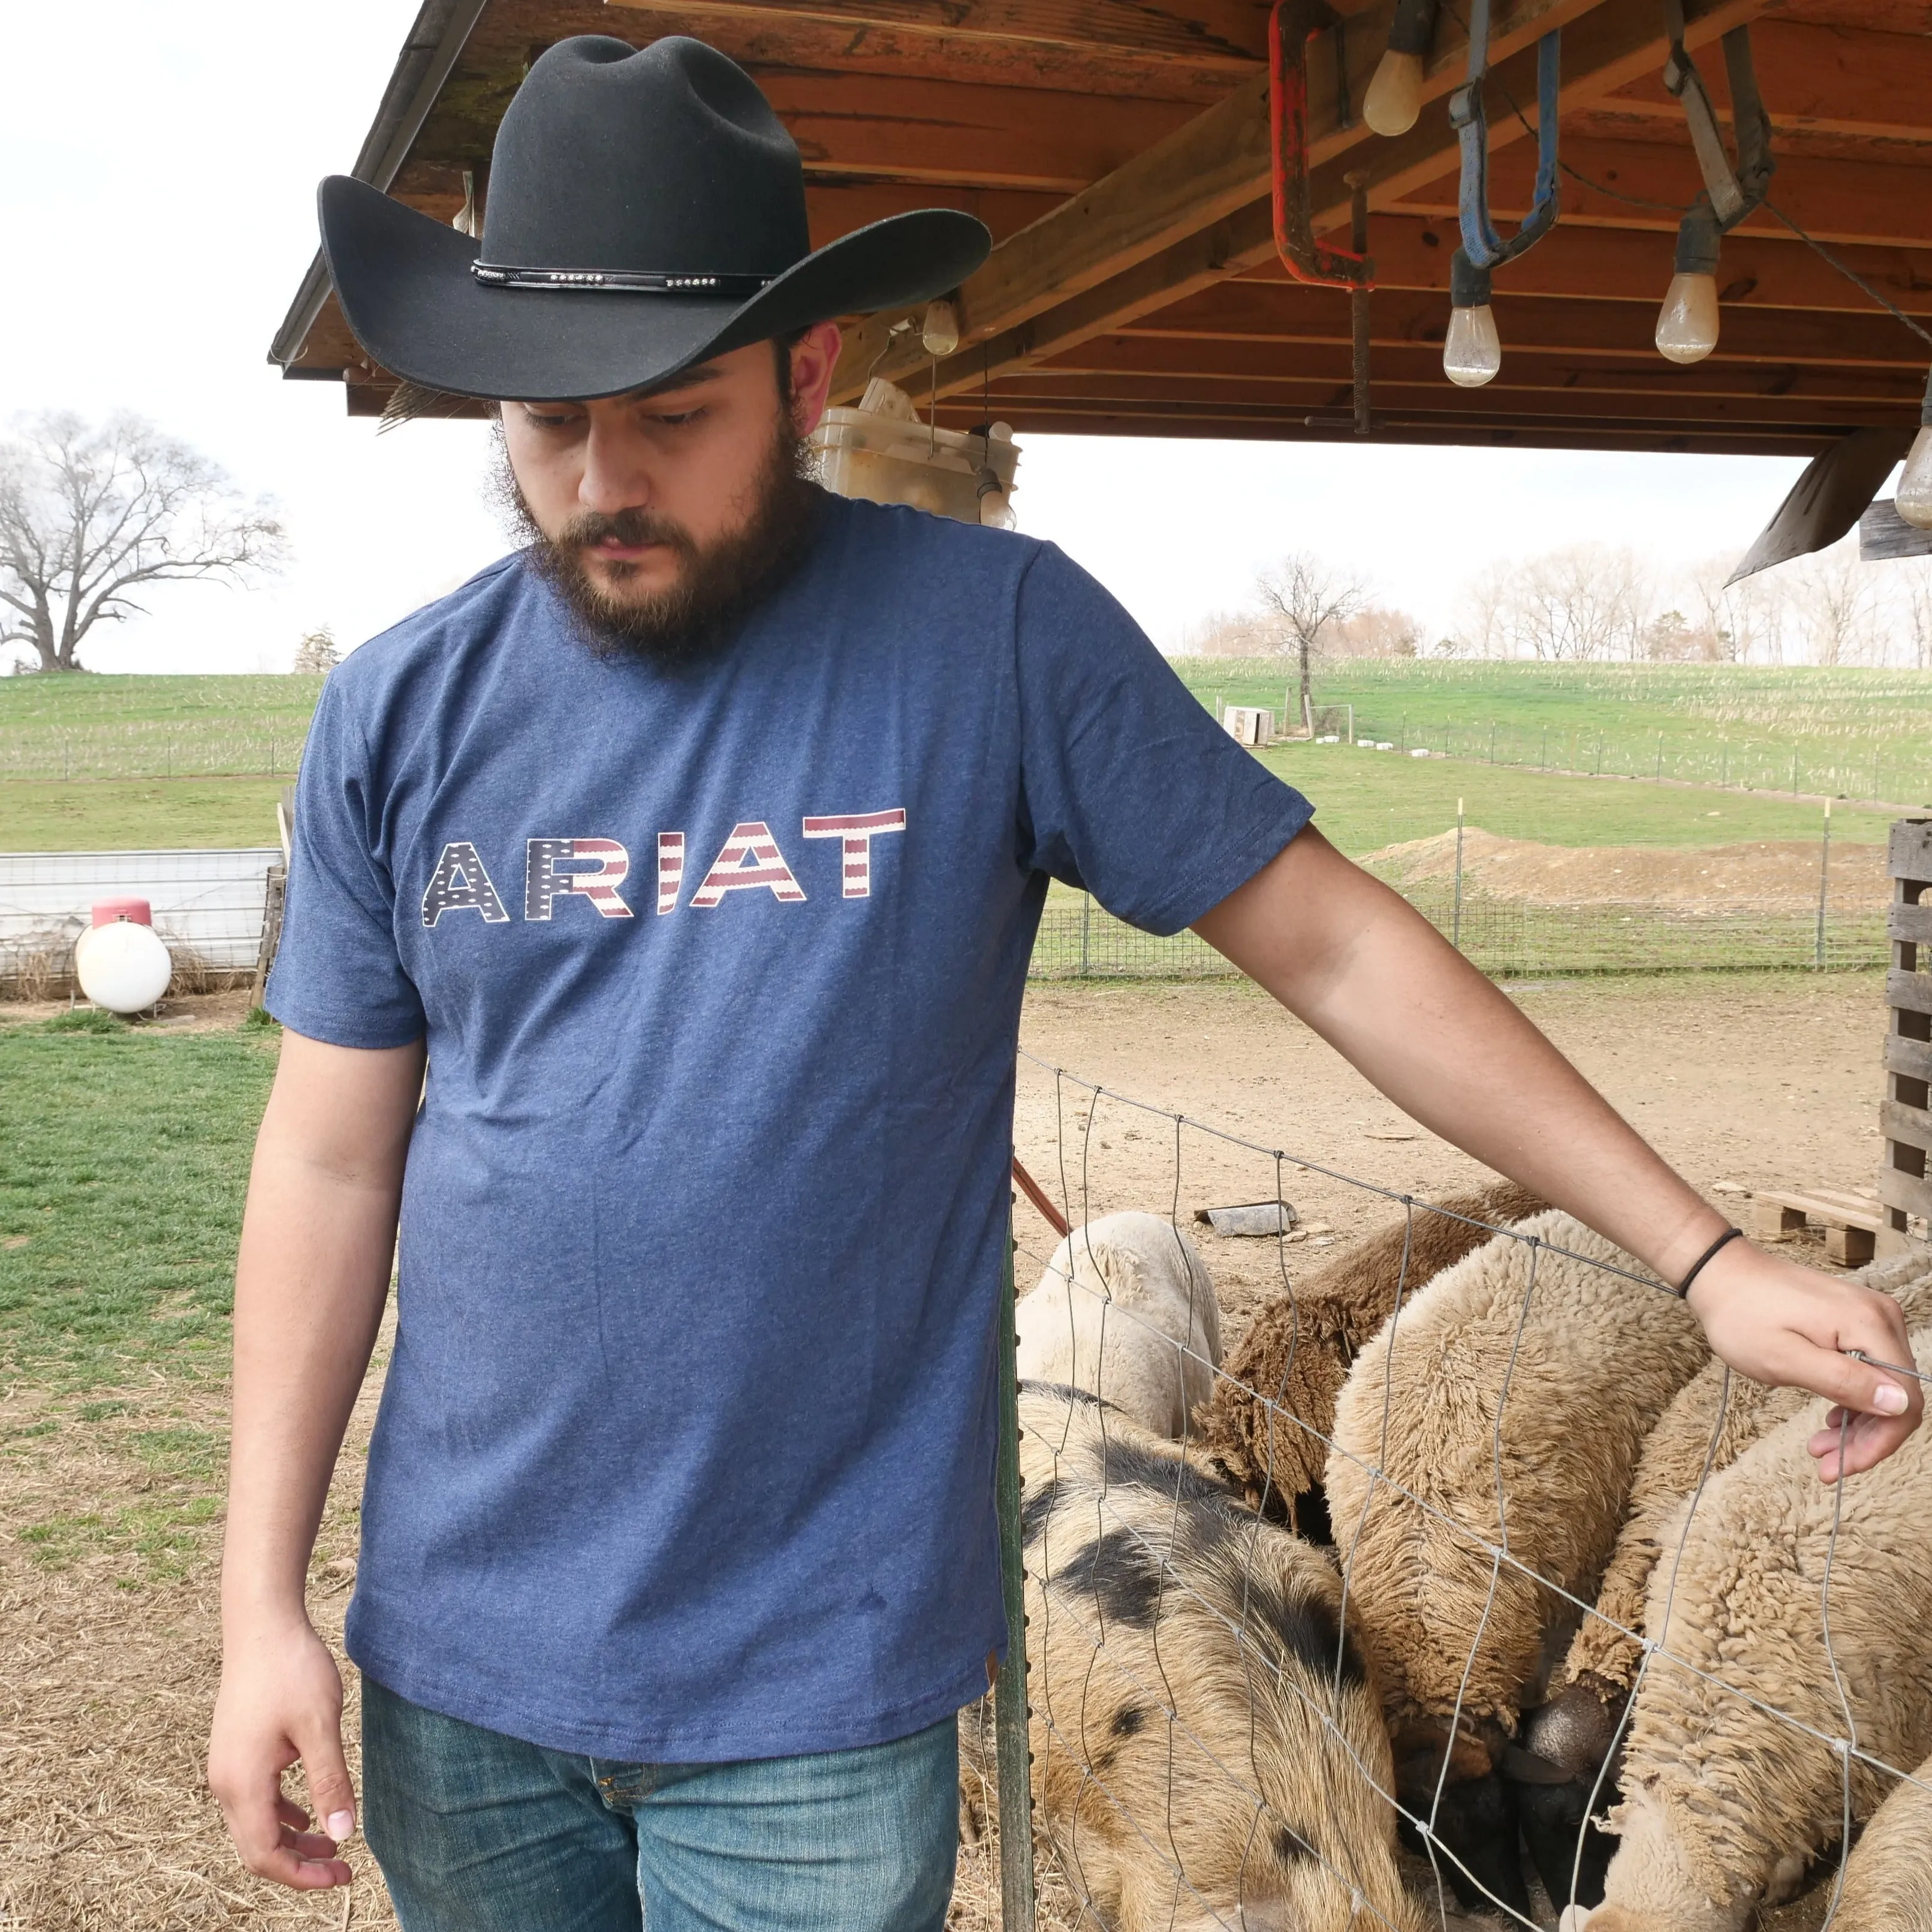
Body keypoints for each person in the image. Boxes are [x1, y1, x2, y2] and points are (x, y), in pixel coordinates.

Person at [207, 32, 1922, 1932]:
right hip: (467, 1672)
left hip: (817, 1689)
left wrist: (1701, 1258)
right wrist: (256, 1598)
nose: (603, 480)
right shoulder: (397, 710)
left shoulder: (993, 643)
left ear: (808, 370)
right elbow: (332, 1163)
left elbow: (1339, 942)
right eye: (546, 425)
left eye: (672, 412)